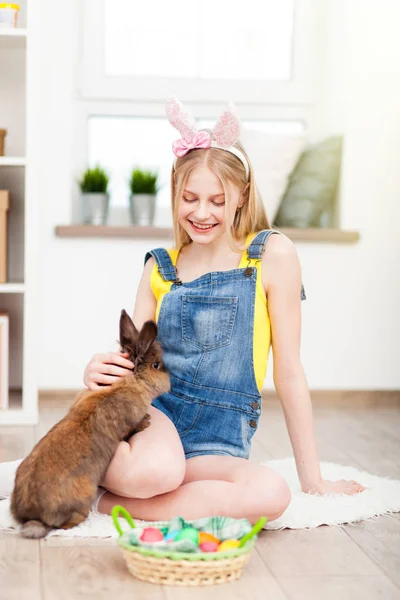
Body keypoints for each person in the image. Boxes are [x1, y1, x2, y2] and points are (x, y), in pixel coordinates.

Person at [0, 98, 365, 524]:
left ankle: (107, 500)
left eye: (217, 199)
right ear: (175, 194)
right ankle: (74, 469)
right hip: (154, 423)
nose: (202, 212)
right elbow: (133, 363)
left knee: (271, 493)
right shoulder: (160, 267)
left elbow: (289, 372)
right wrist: (96, 369)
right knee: (156, 469)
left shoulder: (270, 254)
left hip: (218, 444)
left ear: (242, 196)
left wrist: (313, 480)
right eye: (189, 198)